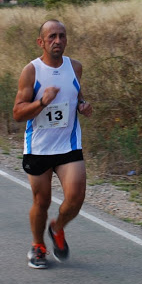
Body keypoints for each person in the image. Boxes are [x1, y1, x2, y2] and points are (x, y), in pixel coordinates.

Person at [13, 19, 93, 269]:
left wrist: (82, 105)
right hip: (38, 147)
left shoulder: (75, 67)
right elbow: (17, 113)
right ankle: (38, 245)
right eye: (52, 37)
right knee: (42, 201)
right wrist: (41, 103)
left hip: (68, 145)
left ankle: (57, 228)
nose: (58, 41)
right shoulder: (32, 71)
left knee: (77, 196)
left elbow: (77, 95)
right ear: (41, 42)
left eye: (62, 36)